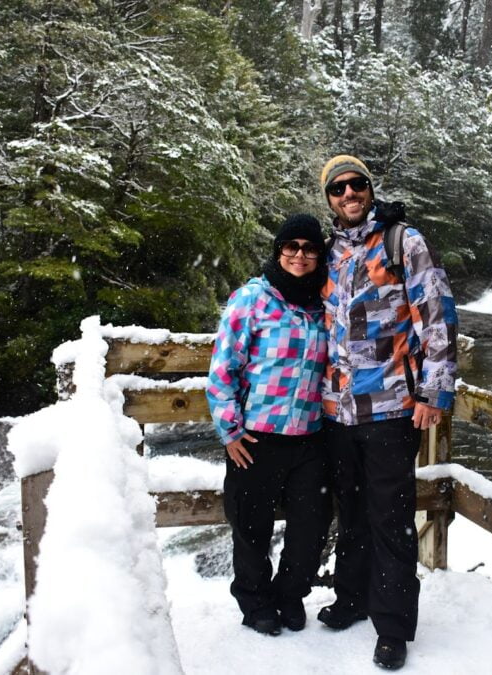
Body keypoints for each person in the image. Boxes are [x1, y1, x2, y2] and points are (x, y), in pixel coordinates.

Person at [316, 155, 458, 670]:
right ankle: (352, 598)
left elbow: (436, 317)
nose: (349, 194)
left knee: (391, 517)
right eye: (338, 189)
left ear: (370, 190)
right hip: (336, 411)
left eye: (357, 185)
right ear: (329, 198)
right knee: (349, 511)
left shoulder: (404, 242)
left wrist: (435, 394)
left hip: (392, 407)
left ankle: (393, 625)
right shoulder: (326, 250)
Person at [205, 214, 331, 636]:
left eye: (309, 248)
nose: (299, 255)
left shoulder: (324, 303)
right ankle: (255, 602)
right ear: (279, 251)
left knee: (310, 528)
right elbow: (224, 368)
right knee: (250, 526)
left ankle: (290, 594)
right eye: (291, 246)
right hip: (257, 436)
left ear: (319, 255)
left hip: (311, 436)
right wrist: (231, 429)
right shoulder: (253, 298)